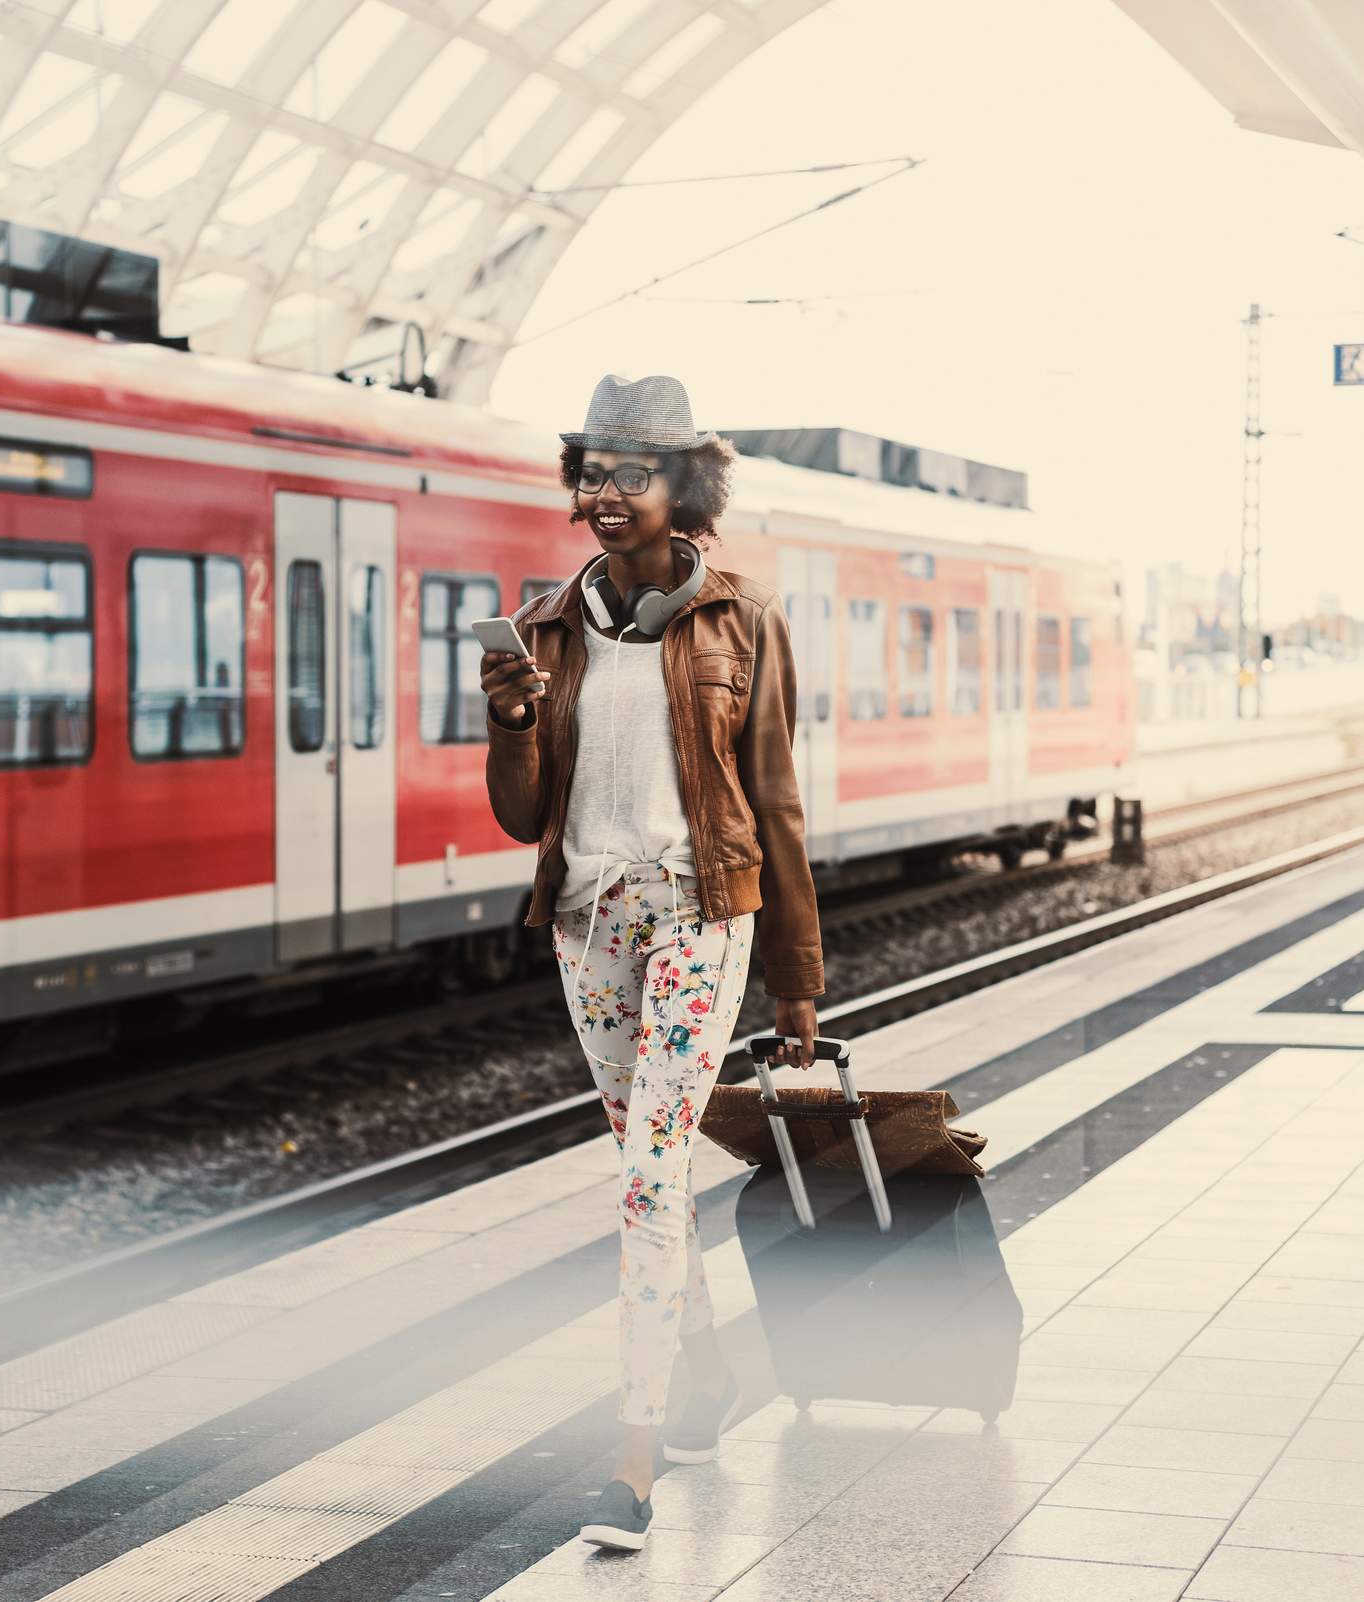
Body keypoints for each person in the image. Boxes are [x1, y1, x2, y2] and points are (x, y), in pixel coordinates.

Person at [477, 373, 825, 1554]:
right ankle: (710, 1373)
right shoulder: (544, 627)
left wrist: (797, 983)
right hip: (588, 926)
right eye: (592, 468)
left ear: (687, 488)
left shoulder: (744, 623)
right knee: (652, 1166)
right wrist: (516, 722)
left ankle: (633, 1452)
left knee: (646, 1178)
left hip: (699, 914)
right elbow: (527, 819)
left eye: (633, 471)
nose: (605, 491)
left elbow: (773, 805)